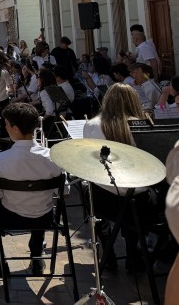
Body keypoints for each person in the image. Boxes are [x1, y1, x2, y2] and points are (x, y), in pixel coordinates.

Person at [0, 102, 64, 275]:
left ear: (15, 129)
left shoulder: (2, 159)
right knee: (39, 202)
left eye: (7, 125)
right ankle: (37, 255)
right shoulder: (53, 157)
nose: (6, 128)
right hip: (44, 218)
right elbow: (64, 192)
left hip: (11, 218)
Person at [82, 84, 151, 271]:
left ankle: (107, 250)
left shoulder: (93, 124)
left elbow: (88, 162)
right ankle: (132, 253)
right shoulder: (143, 123)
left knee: (86, 188)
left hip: (105, 196)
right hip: (137, 197)